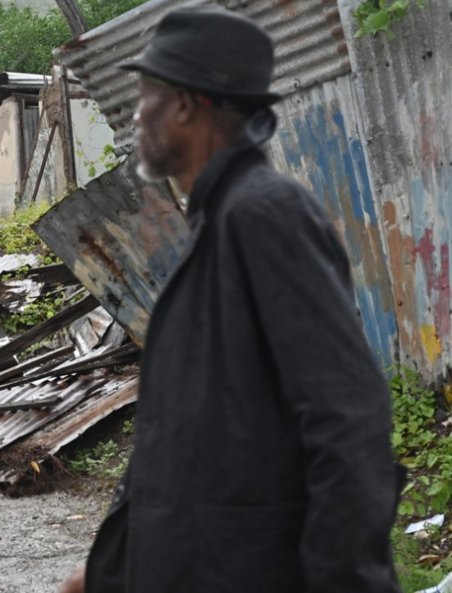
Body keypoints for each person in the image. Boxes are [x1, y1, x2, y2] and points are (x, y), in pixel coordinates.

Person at [59, 7, 403, 593]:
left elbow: (348, 417)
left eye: (146, 96)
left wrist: (344, 580)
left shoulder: (265, 216)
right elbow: (194, 434)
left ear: (185, 105)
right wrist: (114, 566)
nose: (137, 114)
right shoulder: (218, 223)